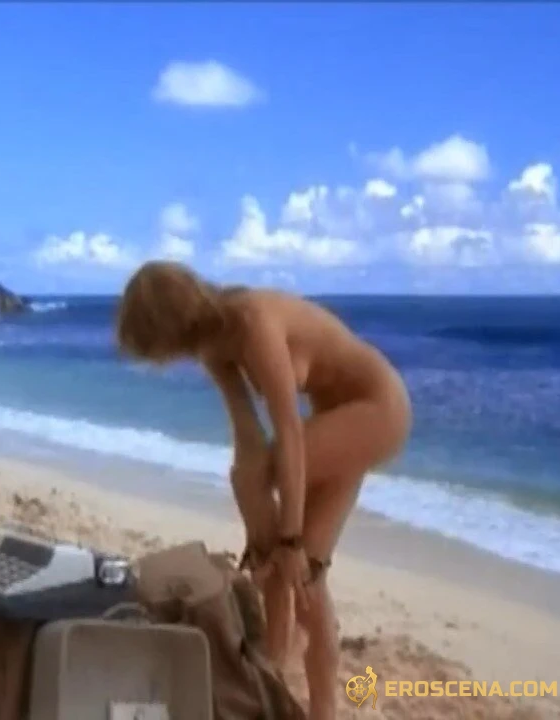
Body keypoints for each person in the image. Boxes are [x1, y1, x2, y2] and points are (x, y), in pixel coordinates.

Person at [114, 261, 411, 720]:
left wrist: (285, 539)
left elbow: (289, 434)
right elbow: (248, 437)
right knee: (308, 576)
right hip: (337, 419)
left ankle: (270, 588)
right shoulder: (211, 345)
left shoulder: (253, 321)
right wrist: (266, 533)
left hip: (378, 409)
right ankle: (306, 701)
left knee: (285, 544)